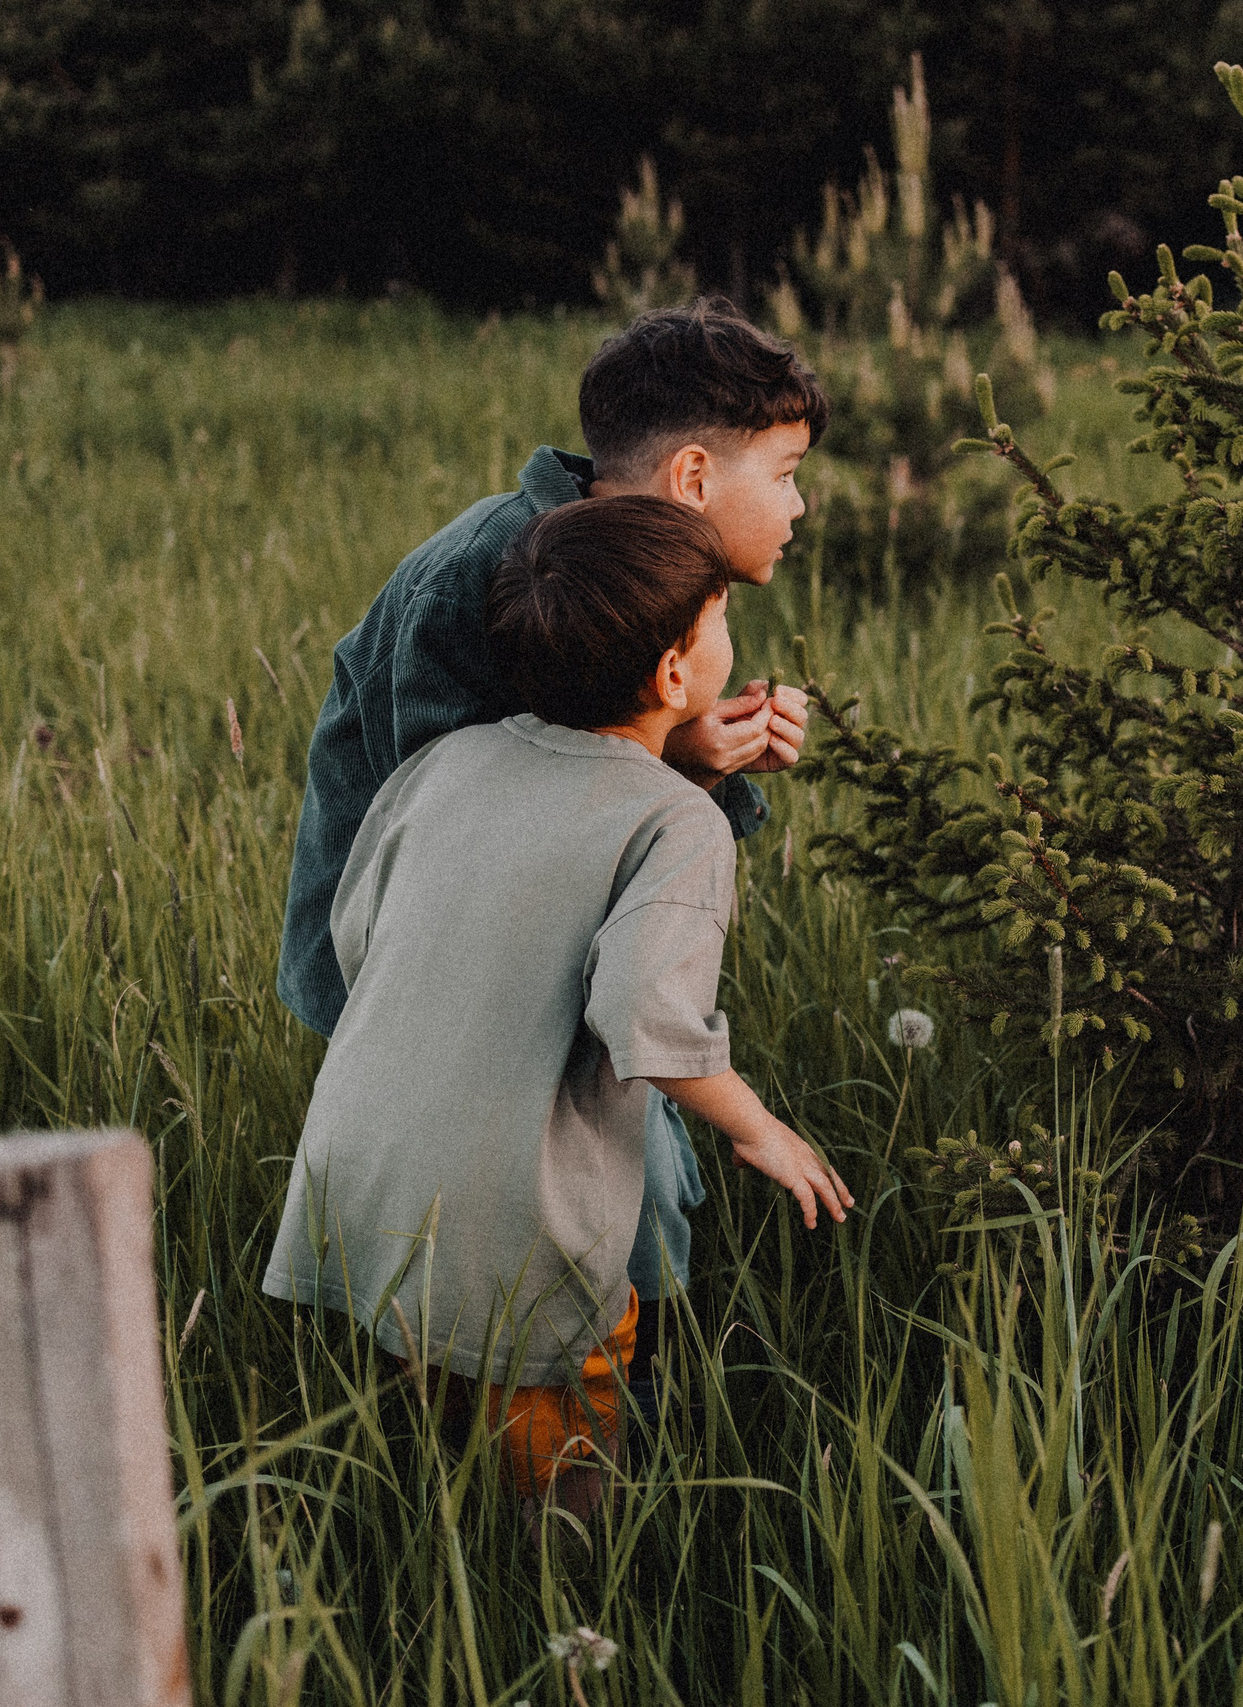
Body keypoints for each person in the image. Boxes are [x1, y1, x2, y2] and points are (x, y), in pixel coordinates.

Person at [263, 496, 852, 1507]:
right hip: (516, 1230)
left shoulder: (446, 762)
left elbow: (357, 933)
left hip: (360, 1189)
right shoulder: (675, 822)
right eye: (718, 620)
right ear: (676, 672)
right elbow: (649, 1023)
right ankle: (573, 1648)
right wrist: (764, 1132)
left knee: (431, 1459)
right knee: (560, 1519)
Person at [276, 296, 825, 1375]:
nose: (802, 505)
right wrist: (678, 762)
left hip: (537, 958)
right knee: (524, 1187)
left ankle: (620, 1363)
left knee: (631, 1168)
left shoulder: (644, 565)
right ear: (696, 479)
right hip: (422, 968)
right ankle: (550, 1415)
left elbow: (591, 783)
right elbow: (473, 818)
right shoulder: (495, 576)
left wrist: (693, 754)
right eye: (789, 471)